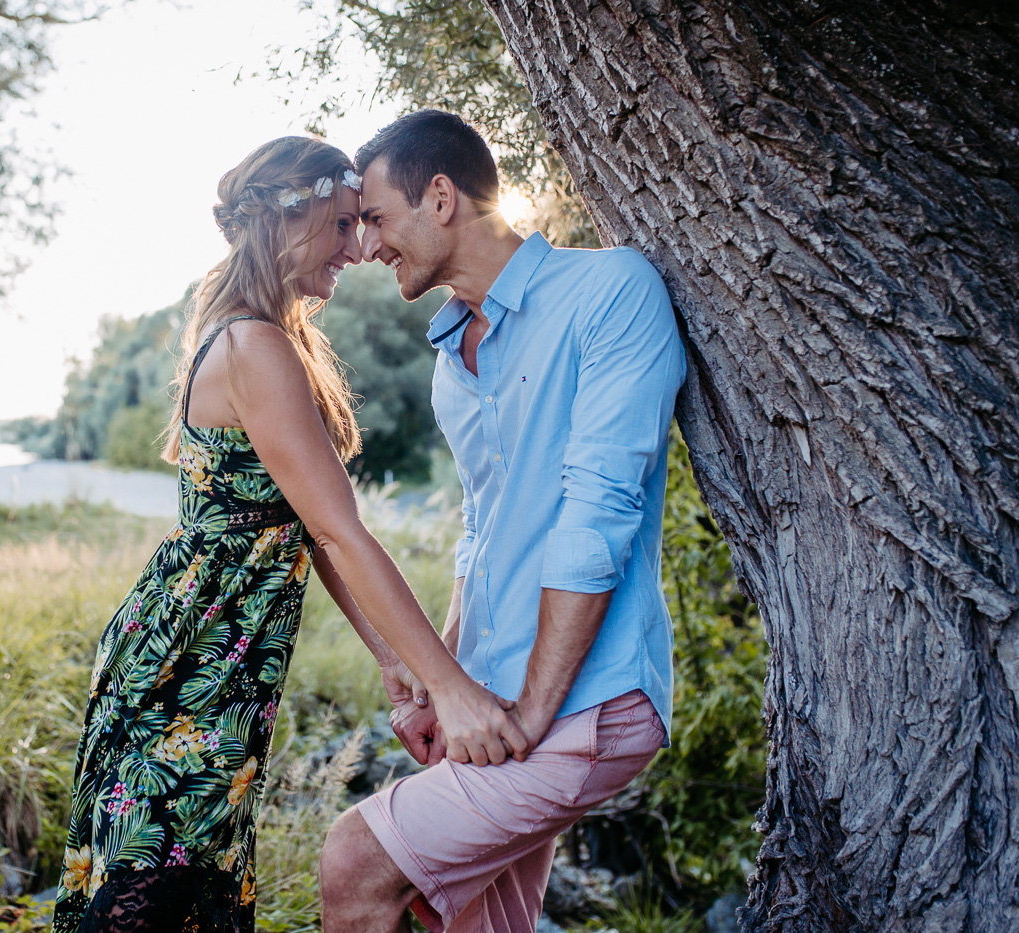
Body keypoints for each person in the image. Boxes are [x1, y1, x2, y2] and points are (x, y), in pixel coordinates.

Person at [50, 136, 529, 933]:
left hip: (210, 663)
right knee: (150, 895)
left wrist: (390, 660)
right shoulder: (254, 344)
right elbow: (339, 531)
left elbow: (306, 529)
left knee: (184, 889)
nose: (358, 248)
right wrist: (448, 684)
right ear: (289, 218)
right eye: (343, 225)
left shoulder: (269, 337)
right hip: (188, 668)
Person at [320, 110, 688, 933]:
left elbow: (598, 517)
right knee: (479, 922)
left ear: (441, 197)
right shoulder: (453, 362)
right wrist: (443, 680)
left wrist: (529, 713)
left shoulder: (610, 291)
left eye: (376, 218)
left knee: (356, 859)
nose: (367, 246)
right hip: (499, 701)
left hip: (588, 699)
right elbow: (481, 531)